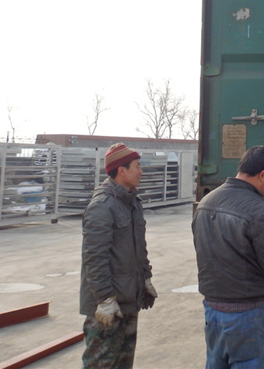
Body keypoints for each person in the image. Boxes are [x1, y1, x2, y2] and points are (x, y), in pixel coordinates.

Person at [192, 145, 264, 369]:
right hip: (249, 314)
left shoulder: (205, 203)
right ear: (263, 175)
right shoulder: (259, 209)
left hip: (213, 312)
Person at [80, 143, 158, 368]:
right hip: (107, 306)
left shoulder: (132, 202)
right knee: (100, 363)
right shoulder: (102, 206)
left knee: (123, 363)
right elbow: (95, 258)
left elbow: (139, 247)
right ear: (121, 170)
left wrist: (145, 278)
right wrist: (105, 299)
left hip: (128, 300)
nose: (141, 171)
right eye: (137, 166)